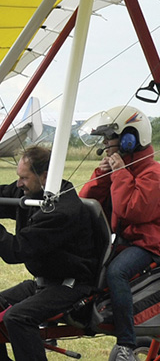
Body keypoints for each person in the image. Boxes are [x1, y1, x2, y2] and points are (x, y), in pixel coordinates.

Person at [0, 145, 99, 361]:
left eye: (24, 178)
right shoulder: (34, 192)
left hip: (71, 286)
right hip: (44, 283)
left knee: (17, 317)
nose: (19, 183)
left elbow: (15, 250)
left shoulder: (63, 211)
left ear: (45, 176)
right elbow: (5, 195)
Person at [79, 105, 160, 361]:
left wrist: (120, 172)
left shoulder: (153, 174)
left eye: (109, 141)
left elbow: (131, 211)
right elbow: (86, 203)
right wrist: (103, 175)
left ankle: (125, 343)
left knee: (117, 272)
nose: (105, 146)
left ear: (129, 140)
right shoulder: (126, 171)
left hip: (150, 245)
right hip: (126, 242)